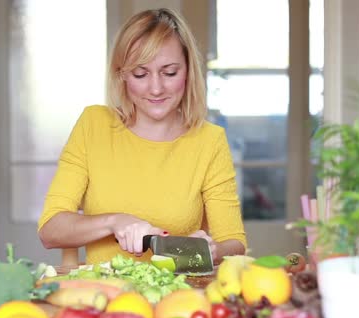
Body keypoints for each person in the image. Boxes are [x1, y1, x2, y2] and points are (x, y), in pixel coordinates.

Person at [38, 8, 246, 265]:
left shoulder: (209, 140)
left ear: (189, 71)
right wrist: (114, 222)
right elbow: (50, 230)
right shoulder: (93, 125)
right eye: (140, 74)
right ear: (121, 74)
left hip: (180, 295)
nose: (156, 88)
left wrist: (213, 250)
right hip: (103, 295)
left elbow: (235, 242)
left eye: (169, 73)